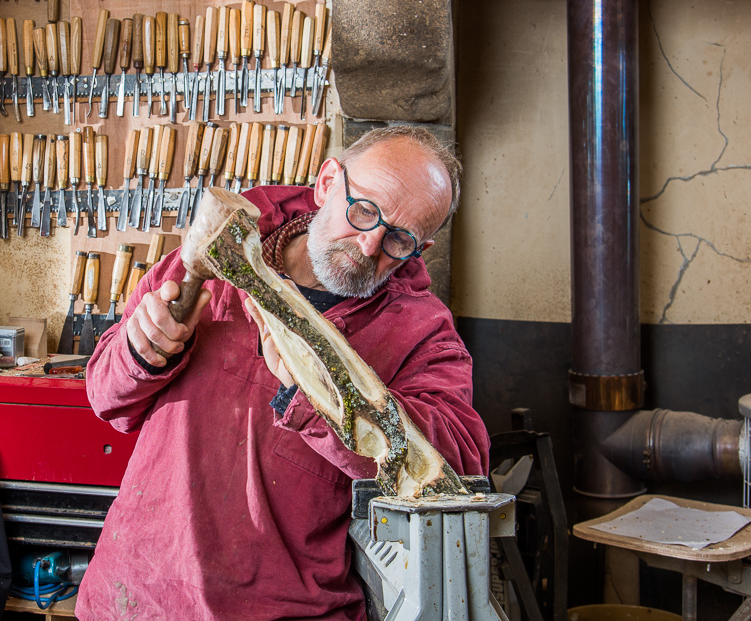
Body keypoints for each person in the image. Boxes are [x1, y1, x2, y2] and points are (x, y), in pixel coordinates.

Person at [77, 126, 490, 621]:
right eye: (363, 211)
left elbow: (460, 463)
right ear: (327, 182)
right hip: (137, 595)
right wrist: (140, 353)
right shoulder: (217, 257)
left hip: (285, 607)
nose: (368, 245)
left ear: (421, 246)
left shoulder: (420, 330)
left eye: (400, 240)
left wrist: (325, 390)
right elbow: (106, 396)